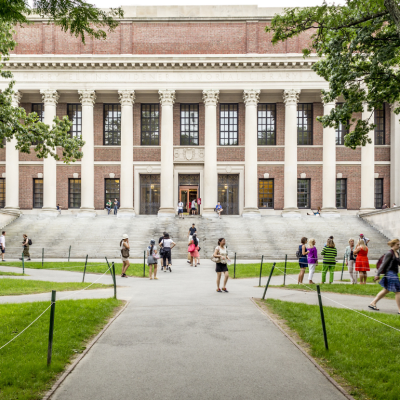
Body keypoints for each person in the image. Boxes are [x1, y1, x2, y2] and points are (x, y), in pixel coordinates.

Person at [369, 239, 400, 312]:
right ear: (393, 245)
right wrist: (377, 274)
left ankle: (373, 303)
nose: (399, 246)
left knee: (386, 290)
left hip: (394, 273)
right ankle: (399, 309)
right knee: (398, 291)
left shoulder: (397, 253)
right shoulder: (389, 253)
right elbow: (383, 264)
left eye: (399, 244)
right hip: (390, 273)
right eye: (397, 244)